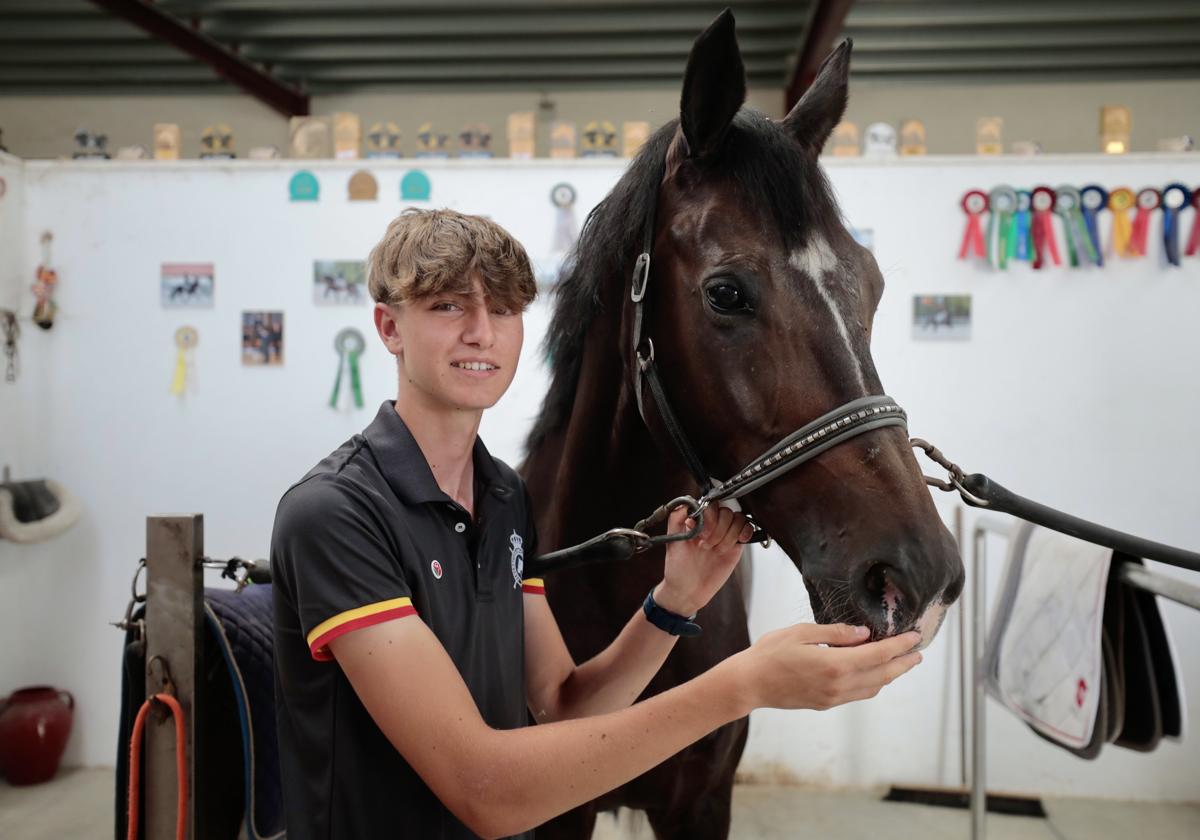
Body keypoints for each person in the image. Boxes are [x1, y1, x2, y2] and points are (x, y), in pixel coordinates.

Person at [271, 208, 923, 840]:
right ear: (389, 328)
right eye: (448, 306)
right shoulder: (335, 515)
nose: (481, 332)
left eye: (502, 309)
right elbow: (484, 793)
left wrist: (674, 602)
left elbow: (563, 702)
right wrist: (743, 685)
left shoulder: (502, 495)